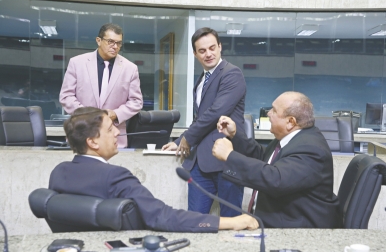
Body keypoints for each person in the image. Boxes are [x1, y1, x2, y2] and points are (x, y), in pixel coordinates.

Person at [49, 107, 258, 233]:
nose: (117, 134)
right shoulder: (115, 176)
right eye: (110, 129)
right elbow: (163, 217)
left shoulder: (59, 172)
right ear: (92, 142)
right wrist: (231, 221)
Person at [212, 91, 341, 228]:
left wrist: (230, 156)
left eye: (274, 110)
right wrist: (235, 135)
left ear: (291, 122)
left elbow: (275, 179)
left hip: (297, 229)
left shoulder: (311, 149)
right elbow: (264, 158)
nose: (268, 113)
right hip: (281, 218)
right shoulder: (292, 138)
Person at [162, 27, 246, 216]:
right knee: (195, 221)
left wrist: (188, 138)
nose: (208, 54)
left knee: (230, 222)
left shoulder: (232, 74)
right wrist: (178, 141)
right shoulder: (202, 80)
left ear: (220, 47)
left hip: (226, 161)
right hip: (200, 165)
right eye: (202, 50)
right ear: (195, 53)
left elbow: (216, 112)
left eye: (212, 48)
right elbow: (200, 118)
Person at [59, 23, 143, 148]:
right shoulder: (77, 63)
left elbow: (136, 102)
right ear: (99, 41)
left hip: (114, 137)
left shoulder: (130, 68)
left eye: (118, 43)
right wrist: (88, 115)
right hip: (82, 134)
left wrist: (116, 114)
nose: (115, 46)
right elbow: (66, 96)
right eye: (110, 42)